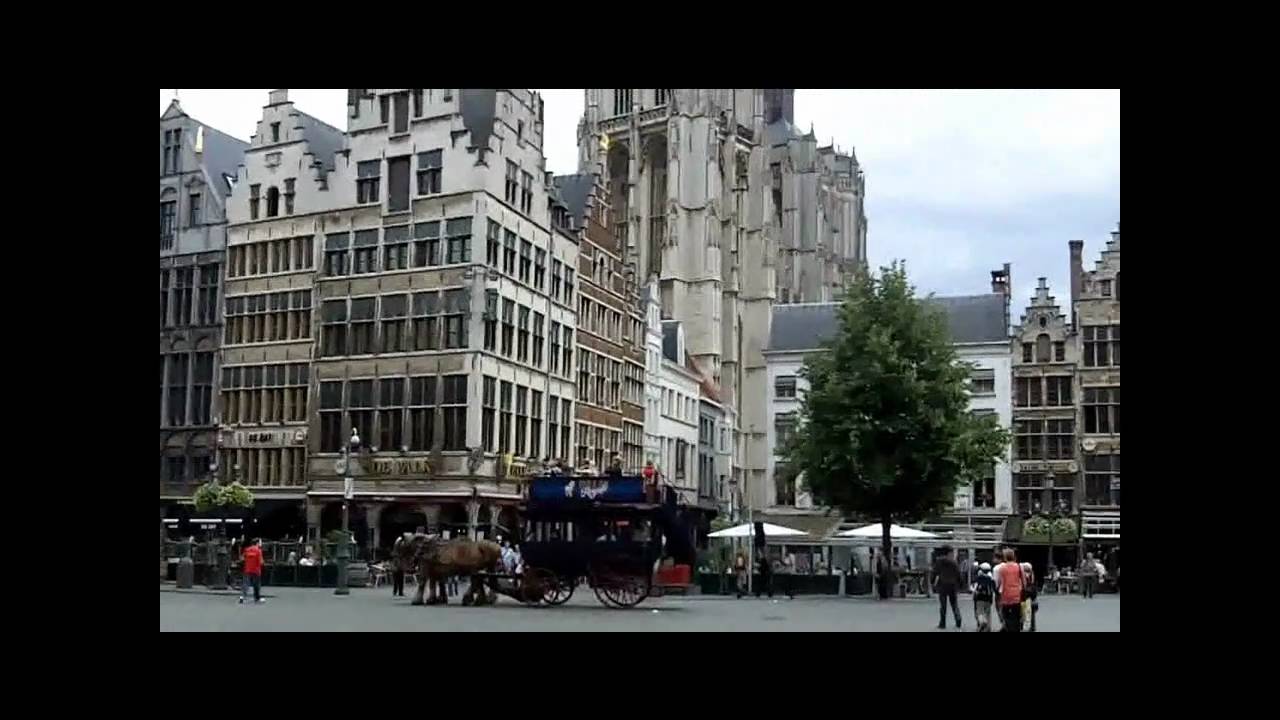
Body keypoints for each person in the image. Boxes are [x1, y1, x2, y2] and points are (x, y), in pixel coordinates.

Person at [932, 545, 962, 630]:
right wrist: (960, 584)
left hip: (942, 585)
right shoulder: (953, 562)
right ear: (948, 552)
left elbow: (935, 573)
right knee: (954, 604)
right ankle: (958, 619)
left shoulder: (938, 562)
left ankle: (942, 623)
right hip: (952, 585)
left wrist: (932, 582)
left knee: (943, 605)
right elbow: (958, 574)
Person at [994, 548, 1023, 632]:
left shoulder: (1001, 568)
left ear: (1005, 557)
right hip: (1016, 595)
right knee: (1016, 617)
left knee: (1006, 616)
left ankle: (1007, 628)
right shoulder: (1018, 566)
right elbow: (1023, 581)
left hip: (1005, 596)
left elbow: (998, 582)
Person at [971, 562, 996, 632]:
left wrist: (973, 592)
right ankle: (988, 628)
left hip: (979, 598)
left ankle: (982, 622)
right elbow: (994, 589)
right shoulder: (991, 579)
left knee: (980, 612)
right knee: (988, 613)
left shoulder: (978, 578)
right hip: (988, 598)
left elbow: (974, 588)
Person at [239, 538, 265, 605]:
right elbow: (261, 562)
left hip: (247, 569)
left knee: (245, 584)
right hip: (256, 570)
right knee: (256, 585)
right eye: (260, 542)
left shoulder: (247, 550)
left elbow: (242, 559)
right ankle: (257, 598)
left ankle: (242, 597)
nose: (260, 543)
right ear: (257, 543)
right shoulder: (259, 551)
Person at [1020, 562, 1038, 632]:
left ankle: (1027, 628)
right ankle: (1027, 628)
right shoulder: (1026, 576)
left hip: (1027, 597)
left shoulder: (1029, 576)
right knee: (1026, 614)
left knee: (1027, 614)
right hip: (1025, 597)